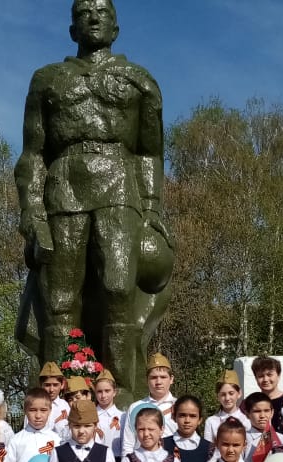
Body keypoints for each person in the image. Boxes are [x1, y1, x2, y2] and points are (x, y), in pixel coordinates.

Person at [15, 0, 173, 402]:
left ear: (116, 28)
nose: (93, 17)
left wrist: (152, 210)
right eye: (83, 12)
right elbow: (33, 154)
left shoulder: (140, 81)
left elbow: (150, 153)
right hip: (64, 185)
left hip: (120, 186)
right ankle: (57, 399)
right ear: (72, 29)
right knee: (59, 300)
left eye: (102, 11)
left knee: (119, 290)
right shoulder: (47, 79)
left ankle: (122, 398)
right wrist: (31, 212)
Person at [119, 352, 178, 457]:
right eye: (153, 377)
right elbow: (128, 445)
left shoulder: (180, 407)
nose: (158, 382)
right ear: (147, 380)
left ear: (171, 379)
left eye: (163, 377)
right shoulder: (135, 408)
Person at [203, 369, 248, 443]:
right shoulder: (211, 422)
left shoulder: (247, 420)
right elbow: (208, 447)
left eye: (231, 393)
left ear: (239, 393)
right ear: (217, 396)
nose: (227, 398)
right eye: (223, 394)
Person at [251, 355, 283, 433]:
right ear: (255, 378)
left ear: (278, 375)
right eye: (260, 376)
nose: (265, 379)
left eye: (269, 375)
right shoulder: (250, 403)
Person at [242, 392, 283, 462]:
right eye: (257, 411)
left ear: (272, 412)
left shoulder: (282, 439)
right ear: (247, 414)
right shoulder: (242, 439)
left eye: (266, 411)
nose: (262, 416)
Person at [54, 375, 94, 442]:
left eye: (78, 397)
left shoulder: (98, 418)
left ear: (88, 396)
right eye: (70, 400)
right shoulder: (63, 423)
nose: (74, 402)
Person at [93, 369, 123, 453]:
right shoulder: (90, 416)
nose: (103, 395)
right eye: (99, 391)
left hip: (117, 457)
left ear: (114, 392)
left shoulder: (122, 416)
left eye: (107, 391)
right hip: (95, 457)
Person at [37, 362, 70, 432]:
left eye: (55, 385)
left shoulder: (65, 406)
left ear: (62, 385)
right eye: (47, 385)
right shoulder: (35, 406)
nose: (51, 390)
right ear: (41, 385)